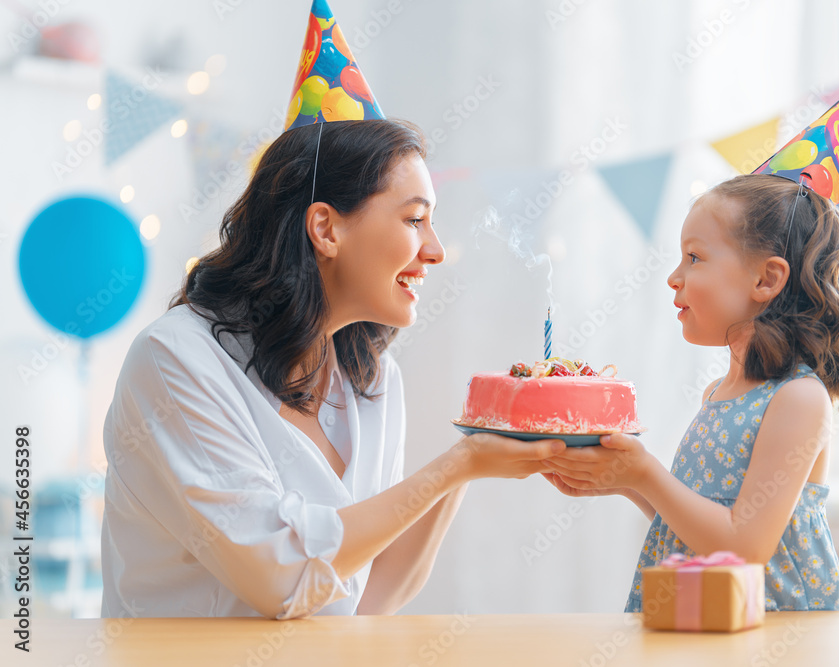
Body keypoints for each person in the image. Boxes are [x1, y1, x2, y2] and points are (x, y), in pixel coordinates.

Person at [100, 118, 566, 620]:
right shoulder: (175, 360)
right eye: (414, 220)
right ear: (325, 228)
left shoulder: (373, 377)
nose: (435, 250)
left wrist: (473, 452)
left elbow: (365, 595)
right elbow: (282, 577)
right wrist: (459, 464)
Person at [539, 171, 839, 611]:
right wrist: (622, 480)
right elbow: (700, 528)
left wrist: (644, 473)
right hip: (709, 618)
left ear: (766, 280)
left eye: (694, 258)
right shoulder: (718, 392)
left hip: (773, 635)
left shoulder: (798, 398)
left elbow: (744, 547)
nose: (674, 278)